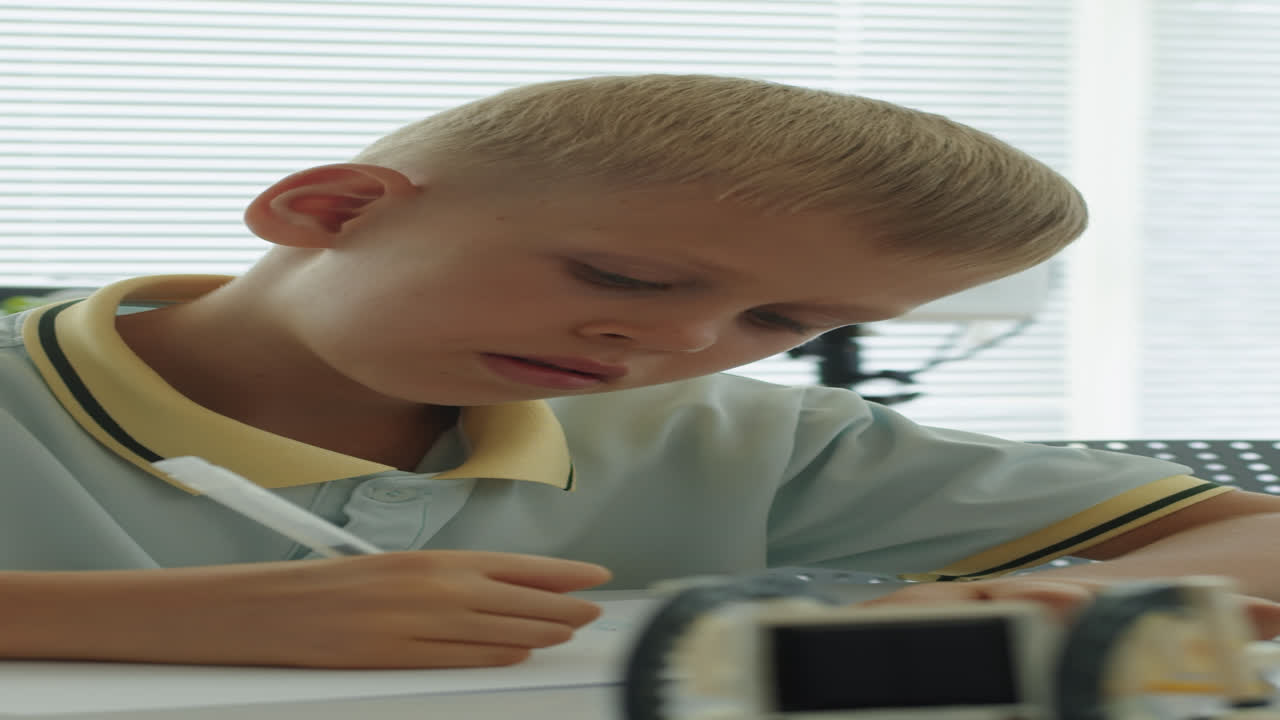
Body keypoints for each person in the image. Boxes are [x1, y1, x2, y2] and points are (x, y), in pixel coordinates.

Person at [1, 74, 1277, 670]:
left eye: (779, 320)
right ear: (332, 210)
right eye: (621, 281)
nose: (673, 348)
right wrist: (136, 618)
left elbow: (1252, 539)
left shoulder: (737, 436)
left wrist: (1022, 615)